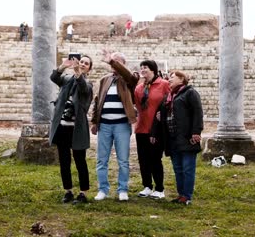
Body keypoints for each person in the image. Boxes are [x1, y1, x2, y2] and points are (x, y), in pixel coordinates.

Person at [91, 50, 139, 201]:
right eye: (112, 61)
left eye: (117, 61)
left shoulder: (130, 79)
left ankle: (122, 189)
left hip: (121, 126)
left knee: (123, 160)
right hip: (104, 125)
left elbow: (130, 77)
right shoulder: (105, 79)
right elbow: (97, 101)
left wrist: (112, 61)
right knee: (101, 159)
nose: (113, 64)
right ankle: (103, 189)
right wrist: (94, 121)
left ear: (123, 64)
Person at [150, 71, 203, 205]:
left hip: (186, 138)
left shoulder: (190, 93)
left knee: (187, 168)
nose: (169, 80)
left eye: (172, 78)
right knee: (178, 168)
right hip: (172, 139)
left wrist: (196, 131)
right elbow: (161, 113)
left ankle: (187, 195)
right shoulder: (168, 96)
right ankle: (181, 195)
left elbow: (198, 112)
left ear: (181, 79)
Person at [48, 54, 94, 204]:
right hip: (62, 127)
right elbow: (54, 78)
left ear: (89, 69)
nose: (82, 64)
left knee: (80, 161)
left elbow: (83, 88)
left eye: (86, 64)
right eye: (81, 61)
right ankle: (68, 191)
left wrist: (77, 73)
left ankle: (83, 192)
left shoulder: (88, 83)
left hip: (77, 129)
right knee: (64, 160)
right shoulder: (67, 79)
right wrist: (62, 66)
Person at [134, 60, 170, 199]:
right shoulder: (139, 88)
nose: (143, 70)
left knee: (155, 159)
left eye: (146, 68)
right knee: (143, 159)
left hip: (157, 129)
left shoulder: (164, 84)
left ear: (153, 70)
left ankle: (159, 188)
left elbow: (171, 101)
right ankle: (147, 186)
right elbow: (138, 106)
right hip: (141, 128)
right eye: (141, 68)